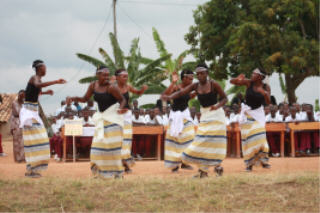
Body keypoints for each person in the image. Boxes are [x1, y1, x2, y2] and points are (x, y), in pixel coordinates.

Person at [162, 65, 228, 178]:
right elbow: (181, 93)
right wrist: (169, 97)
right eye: (198, 74)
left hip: (217, 115)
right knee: (201, 141)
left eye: (202, 73)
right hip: (205, 115)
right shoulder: (196, 86)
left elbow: (225, 98)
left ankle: (217, 167)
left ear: (207, 73)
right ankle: (203, 170)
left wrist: (217, 106)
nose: (199, 76)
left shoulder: (214, 84)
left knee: (215, 142)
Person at [67, 66, 127, 179]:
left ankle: (118, 174)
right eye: (104, 75)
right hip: (102, 119)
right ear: (97, 75)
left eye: (108, 75)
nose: (106, 77)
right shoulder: (93, 85)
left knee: (113, 150)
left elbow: (123, 99)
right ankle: (99, 173)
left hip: (113, 119)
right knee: (97, 149)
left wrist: (120, 109)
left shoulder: (111, 87)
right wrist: (74, 98)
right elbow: (85, 99)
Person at [20, 60, 66, 178]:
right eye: (44, 67)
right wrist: (55, 82)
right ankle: (31, 170)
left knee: (39, 141)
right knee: (33, 142)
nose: (46, 69)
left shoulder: (37, 79)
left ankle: (33, 169)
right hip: (29, 113)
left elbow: (33, 92)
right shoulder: (34, 77)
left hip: (33, 112)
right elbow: (36, 86)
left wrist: (45, 93)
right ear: (39, 68)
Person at [230, 68, 271, 172]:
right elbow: (232, 81)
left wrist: (264, 93)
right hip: (247, 114)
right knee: (248, 140)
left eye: (254, 73)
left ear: (260, 77)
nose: (252, 75)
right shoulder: (249, 83)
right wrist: (237, 78)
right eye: (252, 73)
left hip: (258, 114)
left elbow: (268, 102)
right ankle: (249, 164)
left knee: (260, 136)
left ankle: (263, 160)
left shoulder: (266, 87)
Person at [161, 70, 196, 172]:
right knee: (174, 141)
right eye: (190, 78)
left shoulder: (190, 87)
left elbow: (189, 97)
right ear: (184, 78)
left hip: (185, 115)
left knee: (190, 137)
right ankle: (174, 164)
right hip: (175, 116)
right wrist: (173, 82)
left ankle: (185, 162)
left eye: (192, 78)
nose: (192, 80)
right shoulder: (176, 87)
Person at [115, 69, 148, 173]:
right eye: (124, 76)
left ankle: (125, 165)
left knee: (126, 141)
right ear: (117, 77)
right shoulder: (112, 88)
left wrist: (142, 90)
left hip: (127, 117)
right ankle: (116, 165)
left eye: (127, 76)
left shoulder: (127, 86)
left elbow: (137, 92)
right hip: (115, 116)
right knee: (117, 142)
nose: (126, 78)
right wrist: (117, 110)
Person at [10, 90, 25, 162]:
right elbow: (17, 112)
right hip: (16, 123)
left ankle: (23, 157)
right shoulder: (14, 103)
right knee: (16, 142)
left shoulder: (24, 103)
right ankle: (18, 158)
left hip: (23, 123)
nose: (22, 97)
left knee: (23, 141)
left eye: (23, 96)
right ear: (18, 95)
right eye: (21, 95)